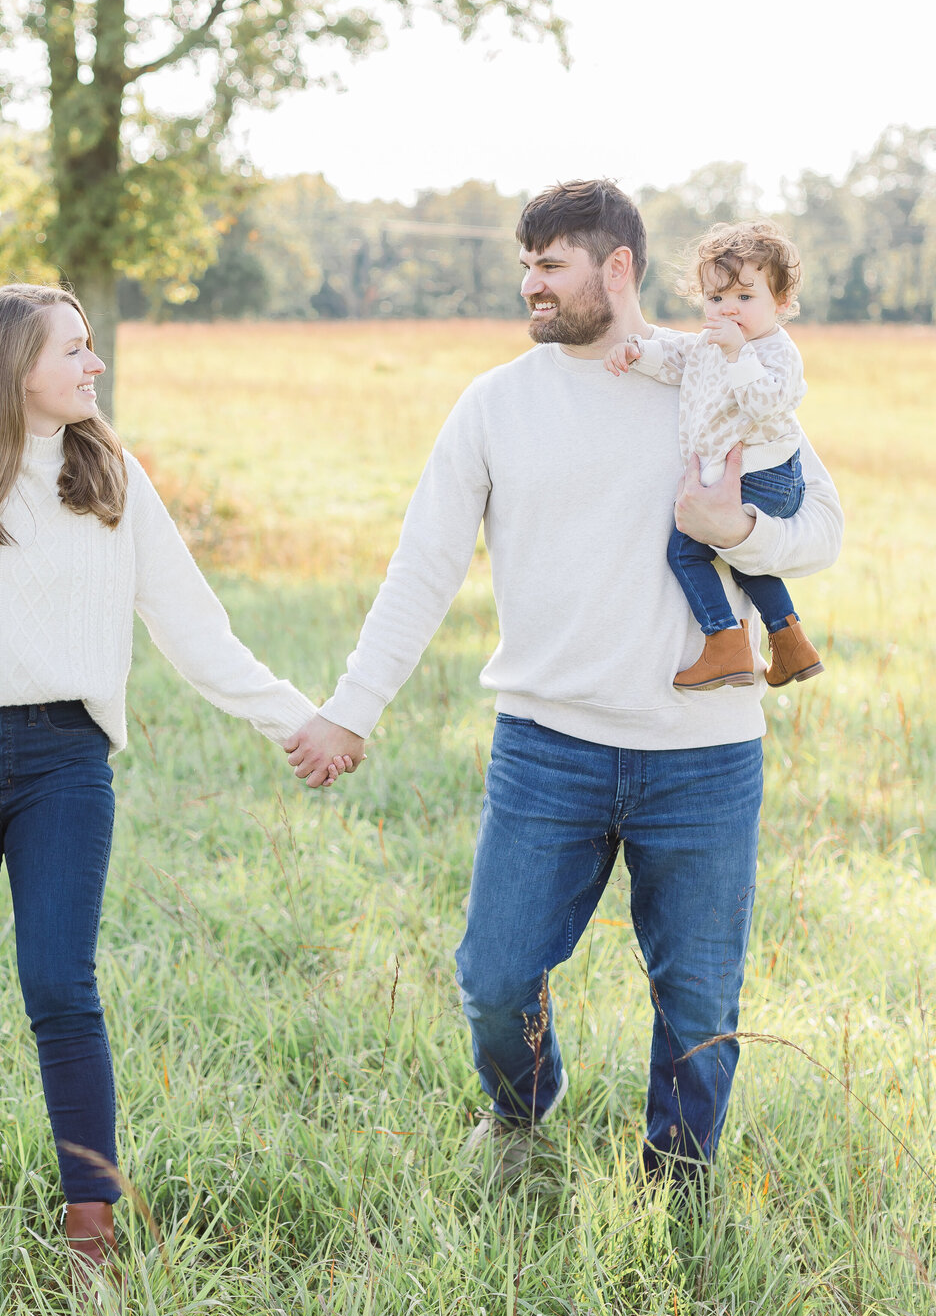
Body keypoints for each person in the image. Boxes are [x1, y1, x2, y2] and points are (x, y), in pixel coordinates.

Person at [284, 179, 842, 1188]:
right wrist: (350, 711)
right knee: (494, 979)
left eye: (550, 265)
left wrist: (737, 531)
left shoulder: (714, 373)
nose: (530, 286)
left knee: (701, 1001)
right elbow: (424, 568)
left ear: (615, 267)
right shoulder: (496, 405)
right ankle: (522, 1125)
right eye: (526, 266)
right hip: (547, 748)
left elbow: (821, 529)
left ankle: (678, 1183)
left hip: (703, 756)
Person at [0, 284, 318, 1275]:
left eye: (91, 348)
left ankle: (90, 1223)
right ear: (14, 367)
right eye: (75, 349)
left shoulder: (111, 477)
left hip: (64, 761)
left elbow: (194, 630)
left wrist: (300, 720)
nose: (94, 365)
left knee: (62, 983)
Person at [603, 221, 823, 693]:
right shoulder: (711, 342)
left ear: (781, 304)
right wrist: (637, 352)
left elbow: (765, 403)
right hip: (740, 476)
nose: (728, 309)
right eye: (716, 298)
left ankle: (724, 644)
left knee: (685, 551)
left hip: (767, 475)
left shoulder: (776, 351)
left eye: (745, 298)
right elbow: (678, 358)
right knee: (742, 557)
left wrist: (738, 353)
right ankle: (790, 644)